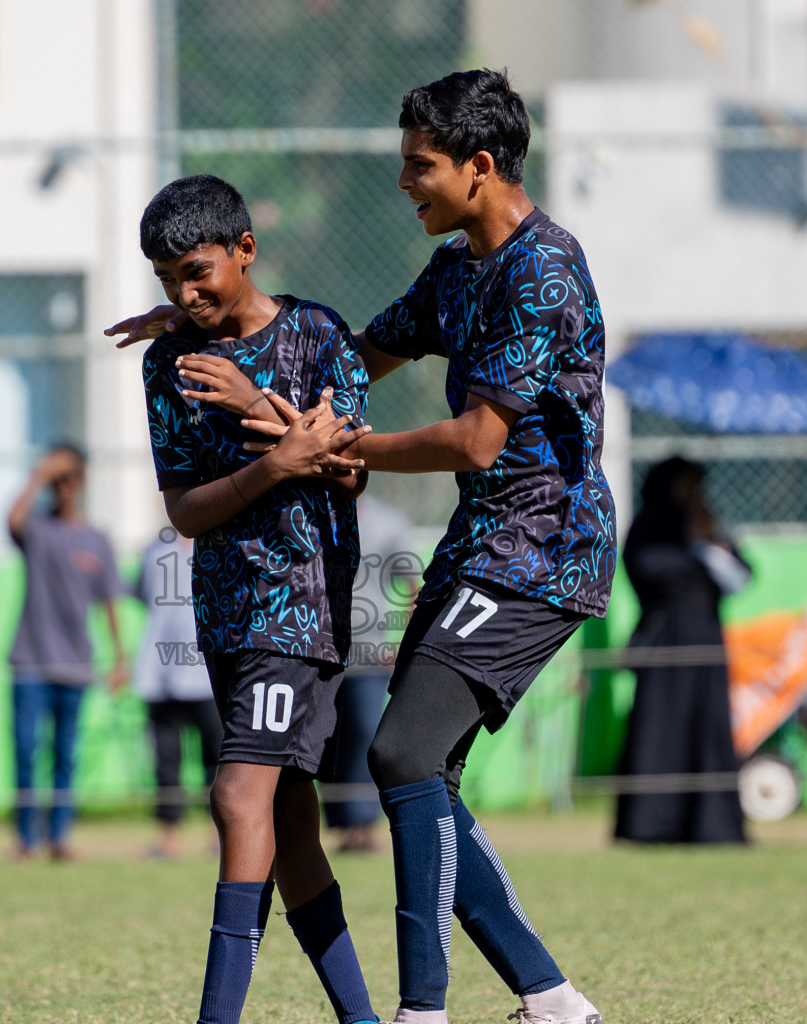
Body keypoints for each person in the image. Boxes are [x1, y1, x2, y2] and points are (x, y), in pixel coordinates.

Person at [110, 69, 613, 1024]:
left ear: (478, 165)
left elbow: (473, 440)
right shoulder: (460, 265)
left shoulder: (542, 269)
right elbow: (353, 353)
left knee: (402, 754)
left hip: (546, 549)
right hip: (481, 545)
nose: (403, 182)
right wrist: (203, 313)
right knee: (417, 769)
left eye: (418, 165)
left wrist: (335, 447)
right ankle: (550, 1001)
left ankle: (421, 1012)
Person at [137, 174, 379, 1024]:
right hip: (226, 614)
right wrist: (271, 465)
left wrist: (265, 426)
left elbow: (348, 468)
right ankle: (363, 1018)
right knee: (291, 824)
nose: (185, 292)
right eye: (168, 280)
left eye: (198, 270)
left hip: (300, 609)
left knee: (237, 797)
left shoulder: (315, 334)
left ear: (245, 250)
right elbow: (185, 510)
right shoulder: (168, 360)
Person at [615, 457, 749, 845]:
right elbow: (648, 570)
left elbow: (741, 575)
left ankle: (712, 827)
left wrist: (707, 544)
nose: (693, 494)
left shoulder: (707, 524)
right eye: (685, 485)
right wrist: (691, 552)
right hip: (664, 646)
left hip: (707, 646)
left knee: (708, 730)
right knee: (660, 732)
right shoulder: (649, 526)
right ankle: (652, 826)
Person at [6, 445, 124, 860]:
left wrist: (119, 658)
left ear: (83, 481)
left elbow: (110, 603)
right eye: (58, 479)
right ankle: (25, 838)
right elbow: (11, 520)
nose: (64, 486)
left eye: (70, 477)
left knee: (65, 755)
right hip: (30, 661)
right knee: (25, 750)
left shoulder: (96, 538)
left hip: (76, 664)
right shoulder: (37, 529)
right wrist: (39, 475)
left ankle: (58, 836)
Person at [322, 494, 419, 853]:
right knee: (324, 743)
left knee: (366, 739)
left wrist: (403, 643)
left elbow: (412, 585)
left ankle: (363, 825)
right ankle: (341, 825)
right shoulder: (313, 515)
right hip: (318, 654)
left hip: (370, 653)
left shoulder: (387, 521)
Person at [131, 527, 223, 859]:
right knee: (166, 762)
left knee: (217, 762)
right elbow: (143, 596)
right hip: (160, 675)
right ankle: (168, 839)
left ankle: (219, 837)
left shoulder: (220, 544)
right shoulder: (152, 551)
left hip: (208, 675)